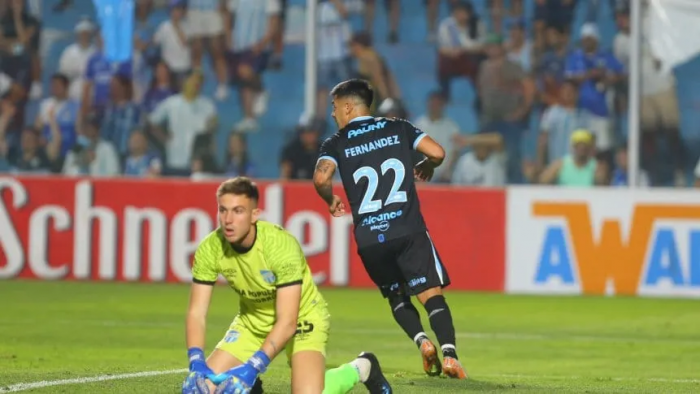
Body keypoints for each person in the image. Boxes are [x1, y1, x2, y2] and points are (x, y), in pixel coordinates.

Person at [312, 79, 467, 379]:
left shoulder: (336, 142)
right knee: (430, 293)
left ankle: (422, 343)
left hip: (370, 237)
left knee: (396, 296)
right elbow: (437, 153)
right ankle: (449, 354)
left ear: (347, 107)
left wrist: (330, 199)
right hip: (407, 229)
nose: (332, 114)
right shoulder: (398, 127)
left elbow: (321, 179)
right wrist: (427, 166)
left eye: (334, 108)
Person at [182, 177, 393, 394]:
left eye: (238, 211)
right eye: (223, 210)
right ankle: (252, 389)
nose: (228, 220)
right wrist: (196, 362)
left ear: (254, 214)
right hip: (253, 322)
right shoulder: (210, 247)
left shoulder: (280, 246)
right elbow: (197, 312)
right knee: (202, 389)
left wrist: (252, 367)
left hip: (302, 319)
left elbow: (288, 321)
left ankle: (361, 367)